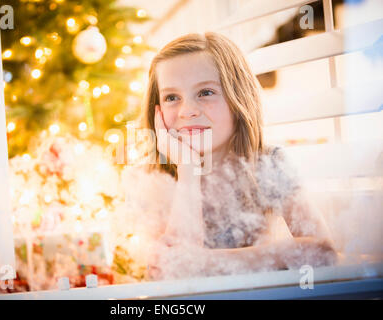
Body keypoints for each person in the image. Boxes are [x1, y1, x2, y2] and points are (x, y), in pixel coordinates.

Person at [139, 32, 337, 280]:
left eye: (205, 92)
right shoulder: (157, 178)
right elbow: (175, 276)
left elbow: (323, 254)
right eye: (171, 97)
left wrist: (208, 264)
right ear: (157, 111)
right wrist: (187, 170)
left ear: (238, 98)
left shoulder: (267, 164)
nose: (187, 110)